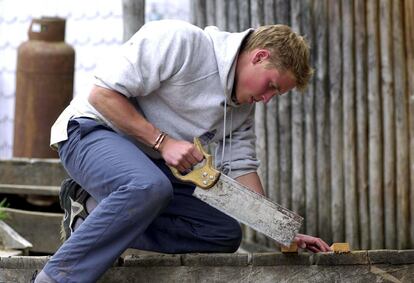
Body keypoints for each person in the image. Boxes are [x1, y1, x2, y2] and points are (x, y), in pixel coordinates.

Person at [35, 19, 331, 282]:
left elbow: (242, 167)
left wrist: (280, 232)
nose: (268, 98)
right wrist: (162, 141)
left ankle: (93, 210)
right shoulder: (181, 42)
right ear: (259, 56)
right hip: (88, 132)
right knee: (149, 186)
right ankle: (56, 277)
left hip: (148, 169)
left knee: (222, 232)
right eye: (272, 86)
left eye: (275, 94)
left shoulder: (241, 111)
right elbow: (102, 95)